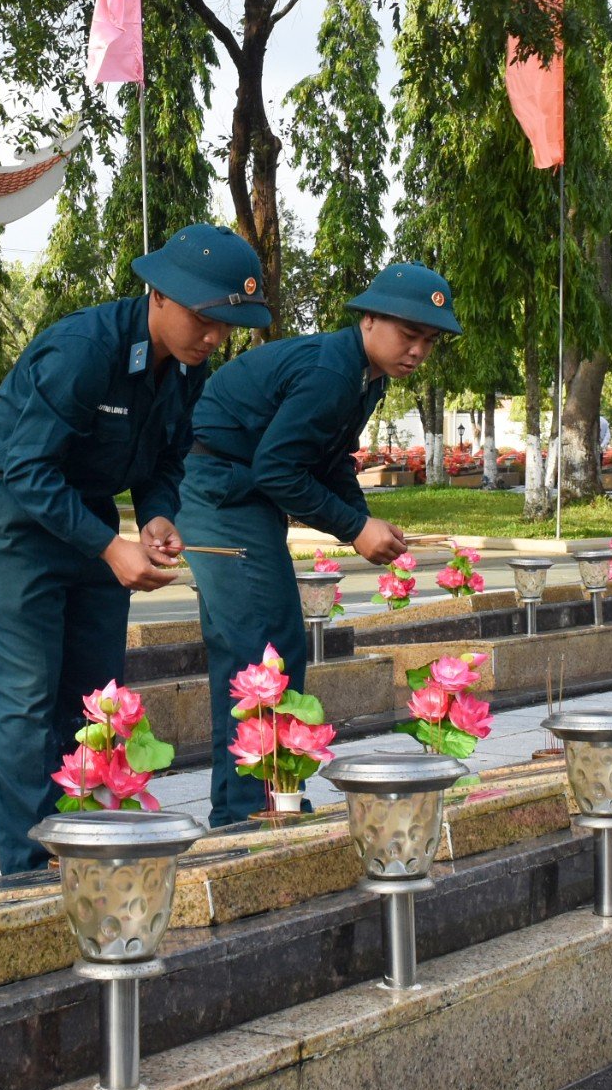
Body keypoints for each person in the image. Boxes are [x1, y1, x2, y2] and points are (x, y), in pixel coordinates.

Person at [0, 223, 268, 871]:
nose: (213, 338)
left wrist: (154, 518)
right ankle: (29, 876)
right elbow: (28, 468)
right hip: (5, 518)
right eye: (205, 320)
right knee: (26, 704)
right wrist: (110, 547)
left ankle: (84, 850)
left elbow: (167, 459)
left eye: (226, 329)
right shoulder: (82, 350)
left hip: (85, 517)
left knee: (94, 699)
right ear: (158, 295)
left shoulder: (187, 370)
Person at [183, 263, 459, 826]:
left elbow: (325, 461)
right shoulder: (334, 373)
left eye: (429, 341)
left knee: (256, 650)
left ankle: (251, 803)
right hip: (221, 489)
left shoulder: (365, 375)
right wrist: (355, 530)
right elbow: (280, 470)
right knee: (263, 649)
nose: (418, 352)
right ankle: (253, 809)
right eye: (409, 335)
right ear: (370, 318)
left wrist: (362, 519)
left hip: (240, 490)